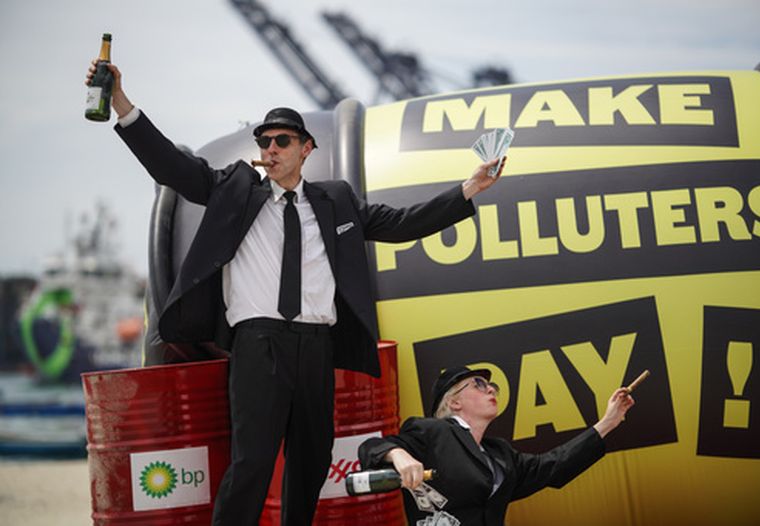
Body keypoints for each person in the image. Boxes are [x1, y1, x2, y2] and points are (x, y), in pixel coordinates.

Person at [85, 60, 504, 526]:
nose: (270, 148)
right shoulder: (235, 188)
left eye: (282, 140)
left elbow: (403, 223)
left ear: (306, 148)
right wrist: (120, 101)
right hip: (258, 342)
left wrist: (469, 188)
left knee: (310, 461)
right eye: (264, 140)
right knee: (253, 461)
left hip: (316, 344)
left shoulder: (335, 199)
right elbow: (170, 164)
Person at [358, 366, 635, 525]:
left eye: (492, 386)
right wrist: (399, 455)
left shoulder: (499, 454)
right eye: (478, 384)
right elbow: (372, 447)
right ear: (454, 402)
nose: (491, 389)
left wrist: (608, 422)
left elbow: (553, 465)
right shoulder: (432, 431)